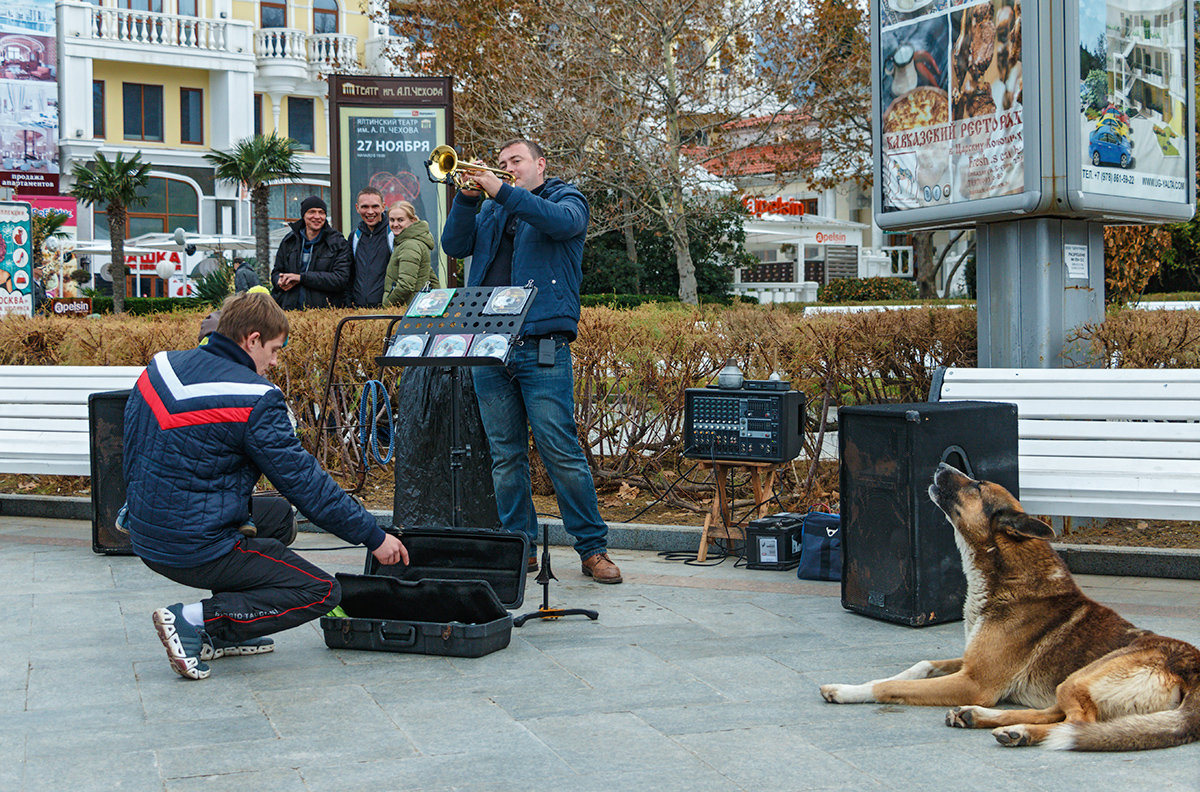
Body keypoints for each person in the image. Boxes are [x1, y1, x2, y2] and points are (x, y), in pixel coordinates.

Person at [123, 291, 408, 680]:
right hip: (191, 546)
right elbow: (305, 484)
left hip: (146, 530)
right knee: (320, 591)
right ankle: (191, 620)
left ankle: (226, 631)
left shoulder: (162, 367)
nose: (274, 362)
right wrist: (373, 536)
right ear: (251, 340)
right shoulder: (255, 398)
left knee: (276, 519)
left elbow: (132, 441)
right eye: (274, 350)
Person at [441, 138, 622, 584]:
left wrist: (500, 190)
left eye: (515, 162)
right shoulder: (490, 209)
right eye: (501, 165)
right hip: (488, 344)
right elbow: (453, 244)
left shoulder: (565, 198)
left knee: (561, 452)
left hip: (542, 343)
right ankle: (518, 549)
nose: (506, 169)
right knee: (505, 456)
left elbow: (560, 224)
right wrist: (467, 198)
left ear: (540, 164)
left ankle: (592, 549)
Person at [271, 196, 350, 310]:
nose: (317, 217)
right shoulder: (289, 241)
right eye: (312, 212)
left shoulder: (338, 242)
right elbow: (276, 272)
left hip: (324, 313)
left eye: (321, 213)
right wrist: (279, 280)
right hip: (290, 309)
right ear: (303, 215)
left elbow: (340, 279)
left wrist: (301, 278)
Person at [382, 200, 436, 309]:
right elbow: (431, 277)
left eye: (400, 220)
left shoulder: (409, 245)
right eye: (392, 220)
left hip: (407, 309)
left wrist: (387, 305)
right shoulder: (414, 241)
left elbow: (405, 285)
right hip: (416, 307)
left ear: (413, 220)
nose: (395, 224)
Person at [347, 187, 392, 308]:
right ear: (357, 208)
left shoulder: (393, 234)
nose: (370, 212)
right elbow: (349, 274)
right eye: (365, 207)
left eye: (375, 206)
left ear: (383, 207)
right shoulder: (355, 236)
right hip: (358, 310)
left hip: (387, 310)